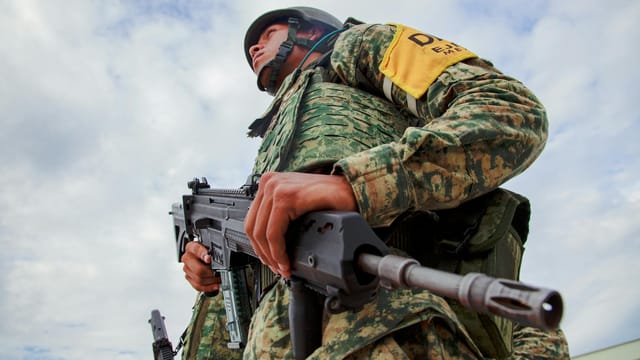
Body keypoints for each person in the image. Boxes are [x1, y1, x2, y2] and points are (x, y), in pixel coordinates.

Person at [179, 6, 570, 359]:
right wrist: (216, 275)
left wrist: (358, 184)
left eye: (269, 34)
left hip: (384, 322)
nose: (253, 49)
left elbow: (507, 110)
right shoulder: (280, 131)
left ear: (311, 32)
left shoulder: (358, 46)